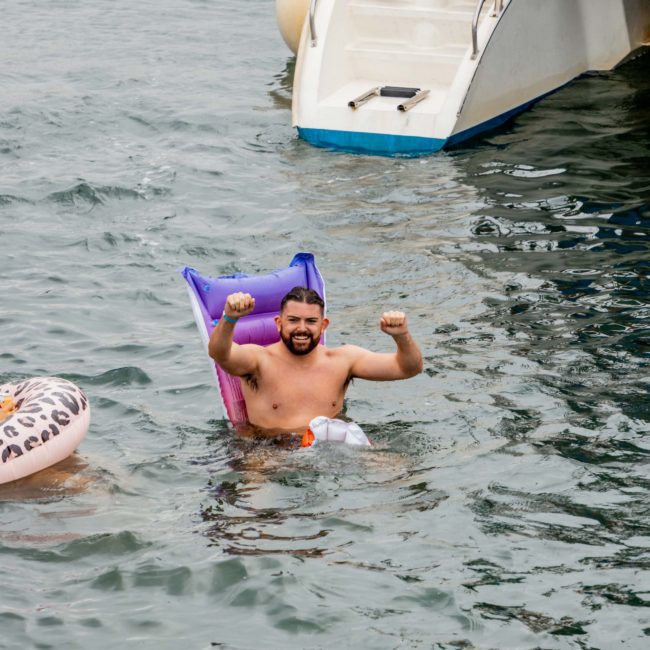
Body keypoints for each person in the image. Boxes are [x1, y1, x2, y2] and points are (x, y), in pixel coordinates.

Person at [208, 286, 423, 432]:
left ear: (323, 325)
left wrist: (401, 335)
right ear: (278, 323)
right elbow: (220, 353)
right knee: (256, 495)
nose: (302, 328)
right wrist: (229, 317)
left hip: (330, 449)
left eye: (311, 321)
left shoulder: (343, 360)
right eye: (293, 320)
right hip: (268, 453)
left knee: (395, 468)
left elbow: (408, 368)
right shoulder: (258, 361)